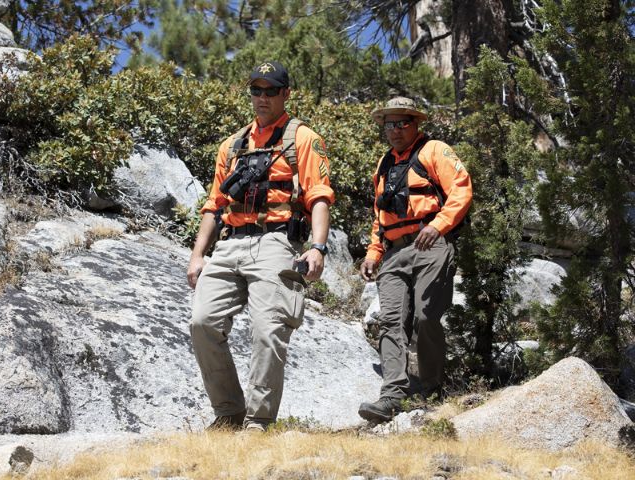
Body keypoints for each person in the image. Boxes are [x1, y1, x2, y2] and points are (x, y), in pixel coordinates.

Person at [187, 61, 335, 432]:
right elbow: (214, 205)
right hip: (230, 244)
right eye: (257, 90)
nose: (263, 97)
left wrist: (317, 246)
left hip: (276, 241)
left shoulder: (301, 138)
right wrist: (198, 254)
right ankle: (229, 411)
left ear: (286, 93)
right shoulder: (232, 145)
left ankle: (258, 421)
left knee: (268, 330)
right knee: (202, 322)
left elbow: (319, 196)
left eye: (271, 90)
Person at [358, 96, 472, 423]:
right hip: (394, 253)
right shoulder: (383, 165)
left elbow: (461, 191)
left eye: (401, 123)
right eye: (389, 124)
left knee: (426, 317)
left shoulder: (435, 150)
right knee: (391, 321)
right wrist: (373, 252)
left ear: (415, 123)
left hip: (430, 244)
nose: (394, 130)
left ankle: (431, 388)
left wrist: (438, 226)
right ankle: (392, 394)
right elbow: (380, 216)